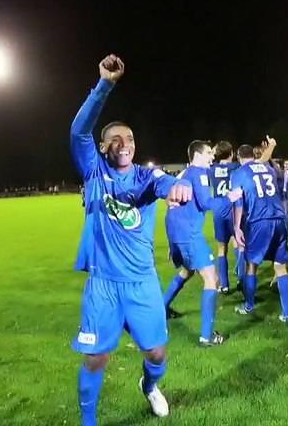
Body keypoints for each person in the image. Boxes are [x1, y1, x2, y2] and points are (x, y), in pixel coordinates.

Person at [69, 54, 193, 424]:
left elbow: (163, 182)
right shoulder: (94, 171)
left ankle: (149, 386)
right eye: (116, 139)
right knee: (96, 358)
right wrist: (104, 85)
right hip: (104, 283)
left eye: (130, 138)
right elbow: (78, 132)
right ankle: (88, 421)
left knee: (157, 354)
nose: (125, 144)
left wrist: (177, 187)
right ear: (102, 146)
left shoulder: (145, 176)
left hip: (142, 283)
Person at [161, 140, 225, 346]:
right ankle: (207, 336)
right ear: (197, 155)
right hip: (190, 234)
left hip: (177, 233)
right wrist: (230, 198)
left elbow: (170, 207)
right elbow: (206, 203)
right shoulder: (199, 173)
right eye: (209, 153)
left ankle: (161, 308)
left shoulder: (183, 174)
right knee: (212, 278)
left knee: (187, 271)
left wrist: (172, 242)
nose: (212, 157)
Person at [229, 140, 288, 325]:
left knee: (251, 264)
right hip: (279, 218)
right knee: (280, 266)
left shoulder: (238, 173)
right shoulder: (268, 168)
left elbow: (238, 202)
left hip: (259, 220)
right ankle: (287, 314)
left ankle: (249, 305)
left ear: (239, 157)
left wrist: (236, 227)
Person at [209, 141, 245, 294]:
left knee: (221, 248)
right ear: (231, 153)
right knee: (239, 244)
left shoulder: (212, 169)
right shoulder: (236, 167)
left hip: (219, 211)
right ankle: (242, 279)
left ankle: (224, 285)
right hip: (234, 210)